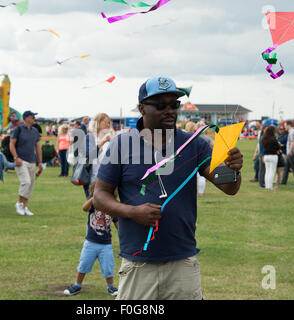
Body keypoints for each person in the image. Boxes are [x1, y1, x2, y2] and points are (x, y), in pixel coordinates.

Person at [93, 76, 243, 300]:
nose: (170, 110)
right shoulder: (121, 145)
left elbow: (229, 187)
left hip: (182, 263)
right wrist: (132, 212)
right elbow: (100, 196)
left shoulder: (195, 144)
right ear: (142, 108)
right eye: (161, 105)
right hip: (138, 264)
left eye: (174, 105)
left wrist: (234, 170)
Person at [64, 182, 119, 297]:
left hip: (106, 244)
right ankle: (77, 285)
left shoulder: (113, 207)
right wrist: (95, 197)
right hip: (91, 243)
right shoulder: (93, 205)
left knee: (108, 267)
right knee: (84, 264)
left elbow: (117, 225)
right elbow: (84, 208)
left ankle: (110, 287)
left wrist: (123, 238)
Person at [10, 110, 42, 216]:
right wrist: (16, 157)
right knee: (26, 182)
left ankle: (25, 206)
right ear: (26, 118)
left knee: (31, 185)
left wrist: (40, 162)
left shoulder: (35, 131)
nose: (34, 118)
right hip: (21, 160)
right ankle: (19, 204)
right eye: (32, 116)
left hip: (32, 161)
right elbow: (12, 144)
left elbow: (38, 146)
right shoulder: (17, 129)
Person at [185, 121, 214, 196]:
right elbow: (214, 147)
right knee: (201, 177)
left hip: (189, 159)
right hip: (203, 159)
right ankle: (200, 193)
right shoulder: (207, 138)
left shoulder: (189, 137)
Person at [281, 120, 294, 186]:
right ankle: (283, 181)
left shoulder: (292, 132)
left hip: (292, 153)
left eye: (285, 126)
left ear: (289, 125)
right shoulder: (292, 132)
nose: (285, 127)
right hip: (290, 153)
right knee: (286, 168)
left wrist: (290, 151)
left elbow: (293, 143)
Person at [261, 126, 281, 191]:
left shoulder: (264, 138)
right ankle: (270, 187)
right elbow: (278, 147)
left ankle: (267, 186)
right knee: (272, 172)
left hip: (266, 156)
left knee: (267, 171)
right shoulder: (274, 139)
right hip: (273, 156)